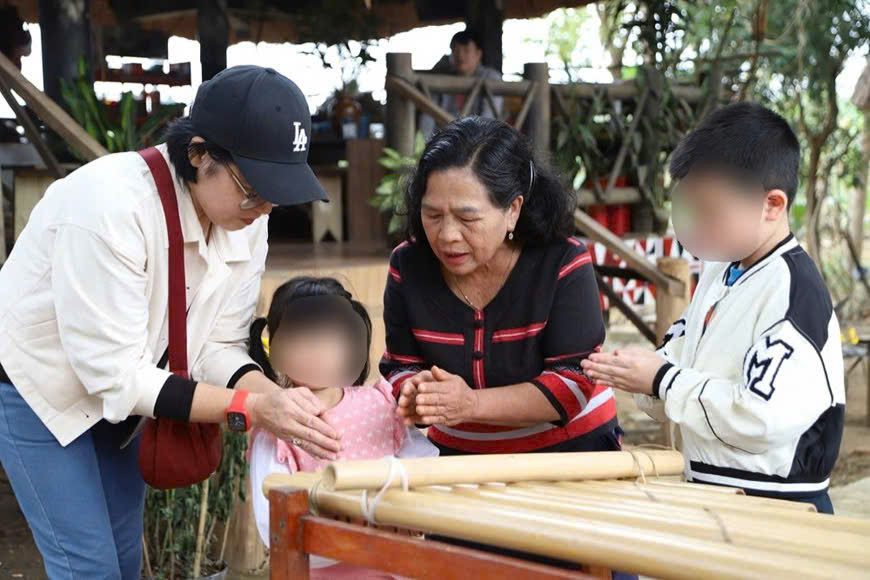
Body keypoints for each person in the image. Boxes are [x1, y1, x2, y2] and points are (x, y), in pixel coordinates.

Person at [0, 66, 344, 579]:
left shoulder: (247, 217)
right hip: (38, 389)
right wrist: (252, 409)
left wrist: (271, 397)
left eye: (277, 191)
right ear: (198, 153)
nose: (264, 207)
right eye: (253, 189)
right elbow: (115, 378)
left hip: (129, 390)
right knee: (87, 567)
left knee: (121, 560)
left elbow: (221, 342)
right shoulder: (111, 206)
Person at [582, 102, 845, 514]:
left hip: (777, 509)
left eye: (711, 211)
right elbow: (683, 350)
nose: (696, 225)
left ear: (772, 205)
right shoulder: (720, 270)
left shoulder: (793, 292)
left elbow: (761, 417)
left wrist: (663, 380)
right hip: (709, 493)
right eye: (690, 208)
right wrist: (642, 372)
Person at [381, 115, 620, 456]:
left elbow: (572, 384)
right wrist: (416, 391)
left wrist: (471, 405)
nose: (447, 235)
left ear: (512, 210)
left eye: (468, 218)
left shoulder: (562, 262)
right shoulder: (408, 265)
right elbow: (400, 365)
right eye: (432, 215)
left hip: (571, 454)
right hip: (456, 456)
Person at [248, 276, 438, 579]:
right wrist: (349, 535)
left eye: (328, 339)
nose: (316, 351)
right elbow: (270, 516)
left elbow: (424, 464)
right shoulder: (276, 425)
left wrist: (405, 512)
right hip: (317, 567)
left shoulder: (380, 404)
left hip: (394, 563)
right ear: (275, 344)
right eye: (302, 339)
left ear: (352, 342)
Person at [418, 28, 503, 136]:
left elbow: (488, 119)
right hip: (442, 142)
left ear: (478, 54)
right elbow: (427, 116)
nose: (460, 55)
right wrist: (424, 146)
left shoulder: (491, 78)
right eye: (455, 50)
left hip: (476, 140)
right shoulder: (441, 77)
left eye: (466, 50)